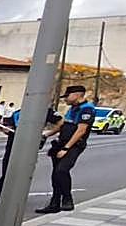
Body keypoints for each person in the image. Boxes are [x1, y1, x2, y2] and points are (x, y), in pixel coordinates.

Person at [36, 84, 95, 213]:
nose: (65, 99)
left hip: (74, 145)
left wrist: (66, 148)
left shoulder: (87, 109)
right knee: (55, 175)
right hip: (61, 143)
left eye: (67, 96)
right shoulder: (73, 108)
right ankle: (55, 203)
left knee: (61, 171)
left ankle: (68, 199)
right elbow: (63, 125)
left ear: (77, 95)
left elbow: (81, 130)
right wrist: (46, 134)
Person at [0, 105, 59, 205]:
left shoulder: (44, 110)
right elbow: (10, 127)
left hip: (28, 146)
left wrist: (45, 135)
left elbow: (60, 123)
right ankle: (1, 194)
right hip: (13, 144)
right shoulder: (18, 112)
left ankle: (17, 195)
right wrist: (4, 129)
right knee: (7, 170)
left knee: (22, 171)